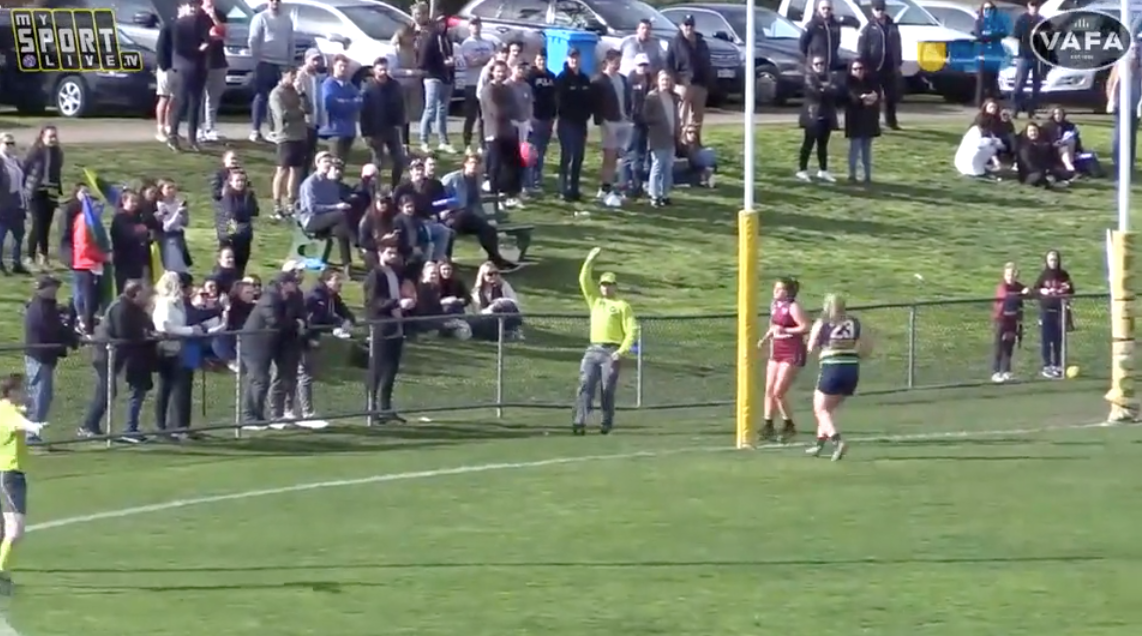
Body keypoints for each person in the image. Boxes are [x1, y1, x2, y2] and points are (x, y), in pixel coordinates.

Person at [571, 247, 637, 435]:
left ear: (615, 286)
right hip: (593, 350)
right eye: (603, 284)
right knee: (585, 384)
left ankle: (606, 422)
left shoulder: (622, 306)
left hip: (611, 351)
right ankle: (579, 421)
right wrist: (590, 259)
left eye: (609, 284)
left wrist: (621, 351)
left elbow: (632, 330)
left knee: (607, 389)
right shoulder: (596, 301)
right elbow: (584, 279)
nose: (605, 287)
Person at [81, 279, 155, 441]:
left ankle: (90, 425)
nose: (148, 297)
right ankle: (88, 425)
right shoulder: (120, 307)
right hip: (105, 354)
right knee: (107, 391)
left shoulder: (135, 308)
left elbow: (148, 325)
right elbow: (124, 333)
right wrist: (144, 335)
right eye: (145, 294)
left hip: (117, 356)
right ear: (136, 293)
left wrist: (149, 332)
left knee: (108, 391)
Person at [806, 293, 871, 461]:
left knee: (820, 409)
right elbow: (866, 347)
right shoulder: (854, 322)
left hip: (832, 367)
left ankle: (837, 441)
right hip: (851, 368)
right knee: (827, 409)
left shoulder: (822, 322)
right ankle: (819, 445)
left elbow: (811, 347)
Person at [0, 373, 47, 593]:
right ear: (10, 393)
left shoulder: (8, 408)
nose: (24, 392)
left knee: (8, 529)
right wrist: (34, 427)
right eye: (20, 389)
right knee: (15, 530)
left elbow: (20, 414)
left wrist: (26, 408)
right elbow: (18, 422)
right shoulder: (7, 412)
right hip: (9, 475)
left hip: (10, 474)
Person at [241, 268, 304, 429]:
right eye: (292, 283)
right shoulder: (270, 298)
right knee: (259, 379)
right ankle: (249, 417)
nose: (295, 286)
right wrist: (296, 324)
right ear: (284, 284)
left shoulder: (285, 297)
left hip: (268, 343)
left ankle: (258, 416)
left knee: (262, 380)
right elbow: (274, 321)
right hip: (255, 342)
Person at [440, 154, 520, 271]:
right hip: (452, 216)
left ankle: (496, 259)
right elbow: (440, 197)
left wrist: (483, 218)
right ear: (465, 164)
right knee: (457, 221)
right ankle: (446, 260)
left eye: (477, 164)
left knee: (489, 229)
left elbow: (476, 202)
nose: (474, 166)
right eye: (471, 163)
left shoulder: (477, 180)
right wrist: (444, 211)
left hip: (469, 218)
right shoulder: (452, 178)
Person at [364, 244, 415, 425]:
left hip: (396, 325)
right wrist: (397, 304)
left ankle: (386, 408)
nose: (393, 255)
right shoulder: (375, 275)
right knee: (377, 368)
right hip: (381, 326)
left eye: (395, 252)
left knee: (391, 369)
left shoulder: (395, 273)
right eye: (389, 252)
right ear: (380, 253)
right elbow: (373, 302)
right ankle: (372, 409)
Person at [298, 269, 354, 427]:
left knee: (307, 374)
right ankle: (305, 413)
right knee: (303, 375)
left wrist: (348, 320)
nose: (339, 283)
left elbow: (343, 310)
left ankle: (302, 412)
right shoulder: (316, 295)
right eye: (336, 280)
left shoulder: (332, 296)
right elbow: (319, 316)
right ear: (326, 281)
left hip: (314, 338)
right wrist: (338, 323)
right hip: (304, 338)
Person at [758, 277, 809, 443]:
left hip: (792, 350)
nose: (775, 291)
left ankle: (789, 424)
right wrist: (765, 338)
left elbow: (805, 327)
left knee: (779, 391)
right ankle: (768, 424)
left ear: (788, 292)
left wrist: (786, 329)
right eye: (775, 288)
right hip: (777, 349)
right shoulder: (774, 306)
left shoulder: (793, 307)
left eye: (780, 289)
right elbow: (773, 326)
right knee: (769, 389)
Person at [151, 272, 202, 438]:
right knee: (168, 387)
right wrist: (189, 331)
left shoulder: (178, 303)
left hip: (182, 347)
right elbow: (165, 326)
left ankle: (181, 425)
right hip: (168, 349)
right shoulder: (164, 304)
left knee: (183, 387)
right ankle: (164, 426)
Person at [23, 275, 71, 440]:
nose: (55, 291)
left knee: (42, 394)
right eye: (53, 288)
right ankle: (31, 434)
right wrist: (70, 336)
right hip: (40, 356)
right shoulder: (41, 308)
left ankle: (31, 432)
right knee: (40, 395)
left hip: (43, 356)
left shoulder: (47, 306)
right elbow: (53, 330)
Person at [59, 185, 109, 335]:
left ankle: (76, 320)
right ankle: (83, 323)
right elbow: (82, 244)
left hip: (91, 262)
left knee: (88, 295)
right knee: (84, 296)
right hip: (81, 260)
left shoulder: (92, 220)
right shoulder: (81, 219)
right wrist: (104, 256)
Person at [248, 0, 296, 142]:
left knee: (277, 99)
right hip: (265, 63)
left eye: (277, 0)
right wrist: (257, 60)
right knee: (261, 97)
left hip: (282, 64)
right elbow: (253, 40)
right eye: (272, 0)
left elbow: (291, 41)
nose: (275, 3)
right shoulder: (260, 18)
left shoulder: (287, 20)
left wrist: (290, 63)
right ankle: (255, 130)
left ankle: (275, 131)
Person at [268, 261, 309, 427]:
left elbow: (302, 314)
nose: (301, 274)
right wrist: (294, 323)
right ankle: (275, 413)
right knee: (278, 376)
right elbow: (277, 318)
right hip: (279, 340)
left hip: (293, 339)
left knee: (291, 376)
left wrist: (300, 323)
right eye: (298, 271)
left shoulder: (297, 294)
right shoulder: (275, 293)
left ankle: (288, 410)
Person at [481, 60, 525, 208]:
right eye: (498, 71)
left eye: (503, 71)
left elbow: (517, 109)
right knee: (496, 166)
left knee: (515, 164)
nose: (500, 74)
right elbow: (496, 112)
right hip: (494, 132)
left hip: (509, 132)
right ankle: (495, 196)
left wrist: (508, 109)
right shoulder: (488, 90)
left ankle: (512, 194)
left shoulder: (508, 89)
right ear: (492, 72)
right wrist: (508, 109)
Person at [170, 1, 211, 152]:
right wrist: (198, 49)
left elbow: (209, 38)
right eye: (191, 5)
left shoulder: (204, 21)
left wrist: (206, 44)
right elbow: (179, 48)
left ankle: (192, 138)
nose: (194, 8)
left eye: (196, 5)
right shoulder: (179, 24)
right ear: (185, 7)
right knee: (181, 102)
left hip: (200, 67)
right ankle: (173, 135)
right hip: (184, 66)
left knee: (196, 103)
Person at [360, 57, 407, 189]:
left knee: (399, 160)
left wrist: (400, 124)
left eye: (385, 69)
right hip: (374, 130)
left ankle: (395, 187)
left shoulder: (394, 86)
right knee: (378, 161)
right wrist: (365, 133)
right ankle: (374, 189)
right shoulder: (368, 87)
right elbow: (363, 112)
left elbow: (400, 106)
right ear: (374, 70)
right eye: (380, 69)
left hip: (391, 128)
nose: (383, 72)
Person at [593, 49, 633, 205]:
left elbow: (627, 99)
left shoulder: (622, 79)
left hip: (623, 121)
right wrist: (602, 120)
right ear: (608, 62)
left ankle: (619, 185)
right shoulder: (599, 80)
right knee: (609, 155)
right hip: (609, 121)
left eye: (619, 61)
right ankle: (605, 187)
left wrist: (629, 116)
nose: (618, 64)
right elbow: (596, 104)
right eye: (615, 61)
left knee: (622, 157)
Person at [269, 66, 309, 216]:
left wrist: (302, 93)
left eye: (297, 76)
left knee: (296, 170)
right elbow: (282, 115)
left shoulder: (297, 92)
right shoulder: (276, 93)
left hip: (300, 135)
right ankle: (277, 204)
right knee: (282, 170)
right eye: (293, 76)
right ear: (284, 75)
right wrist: (300, 112)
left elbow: (309, 109)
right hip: (285, 136)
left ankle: (291, 202)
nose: (295, 79)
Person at [23, 125, 63, 271]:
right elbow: (25, 169)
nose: (53, 139)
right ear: (42, 136)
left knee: (45, 225)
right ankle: (37, 256)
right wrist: (23, 189)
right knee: (38, 223)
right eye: (50, 136)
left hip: (50, 192)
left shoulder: (57, 152)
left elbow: (57, 173)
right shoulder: (35, 152)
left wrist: (58, 191)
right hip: (36, 192)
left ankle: (37, 257)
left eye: (54, 136)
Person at [555, 49, 593, 202]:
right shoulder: (562, 78)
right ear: (567, 59)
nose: (574, 60)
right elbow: (559, 101)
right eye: (572, 58)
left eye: (577, 57)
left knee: (579, 157)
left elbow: (589, 100)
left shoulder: (584, 78)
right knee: (567, 156)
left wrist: (587, 114)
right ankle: (563, 189)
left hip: (581, 123)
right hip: (567, 122)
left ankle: (574, 188)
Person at [857, 0, 902, 130]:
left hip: (889, 66)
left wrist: (898, 62)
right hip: (874, 66)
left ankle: (891, 121)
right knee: (874, 96)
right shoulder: (868, 28)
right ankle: (873, 122)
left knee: (891, 96)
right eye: (877, 9)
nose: (880, 12)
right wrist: (864, 66)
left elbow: (897, 45)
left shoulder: (892, 26)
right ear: (872, 10)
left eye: (882, 9)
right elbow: (862, 49)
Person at [417, 13, 457, 154]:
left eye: (444, 23)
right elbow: (422, 62)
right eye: (439, 23)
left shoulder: (447, 39)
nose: (442, 25)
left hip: (446, 77)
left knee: (443, 111)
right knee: (430, 109)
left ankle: (443, 141)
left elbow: (448, 55)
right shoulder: (429, 39)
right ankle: (424, 140)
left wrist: (451, 65)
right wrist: (442, 63)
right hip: (433, 77)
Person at [665, 15, 713, 128]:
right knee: (682, 117)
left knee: (697, 118)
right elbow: (668, 64)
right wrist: (675, 84)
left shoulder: (701, 42)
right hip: (684, 83)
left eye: (691, 25)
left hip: (700, 83)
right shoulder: (675, 43)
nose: (689, 28)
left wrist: (707, 82)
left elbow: (707, 62)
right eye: (686, 25)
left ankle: (695, 142)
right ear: (681, 26)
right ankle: (680, 141)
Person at [796, 57, 839, 183]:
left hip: (827, 115)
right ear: (812, 65)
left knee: (823, 145)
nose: (820, 66)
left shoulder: (829, 77)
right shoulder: (809, 77)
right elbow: (816, 93)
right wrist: (826, 89)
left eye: (822, 63)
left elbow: (836, 91)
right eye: (817, 64)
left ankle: (823, 170)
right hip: (813, 115)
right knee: (808, 144)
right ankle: (802, 170)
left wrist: (825, 89)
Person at [1033, 250, 1073, 379]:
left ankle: (1057, 364)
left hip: (1059, 311)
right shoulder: (1044, 275)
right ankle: (1047, 365)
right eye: (1050, 260)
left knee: (1058, 340)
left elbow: (1071, 290)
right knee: (1046, 340)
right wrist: (1042, 291)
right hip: (1046, 311)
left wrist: (1066, 289)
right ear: (1047, 261)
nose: (1053, 262)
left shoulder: (1063, 275)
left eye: (1055, 260)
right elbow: (1034, 290)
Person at [644, 70, 681, 208]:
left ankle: (665, 195)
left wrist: (678, 130)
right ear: (657, 81)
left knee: (668, 168)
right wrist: (658, 120)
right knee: (657, 166)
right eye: (663, 80)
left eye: (667, 80)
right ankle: (654, 195)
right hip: (657, 137)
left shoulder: (673, 97)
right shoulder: (652, 97)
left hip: (671, 137)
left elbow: (676, 116)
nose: (665, 82)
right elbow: (645, 117)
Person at [460, 16, 495, 154]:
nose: (476, 27)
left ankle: (482, 144)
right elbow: (471, 62)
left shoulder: (488, 43)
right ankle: (467, 144)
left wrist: (486, 60)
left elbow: (494, 60)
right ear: (469, 27)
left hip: (486, 84)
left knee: (483, 116)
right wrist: (487, 59)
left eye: (478, 24)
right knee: (470, 116)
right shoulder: (466, 44)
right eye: (473, 24)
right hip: (471, 83)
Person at [214, 169, 259, 276]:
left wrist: (248, 197)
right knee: (227, 265)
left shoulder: (248, 195)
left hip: (244, 235)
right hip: (230, 236)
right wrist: (231, 235)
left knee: (241, 266)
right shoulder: (228, 196)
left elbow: (254, 211)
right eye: (238, 180)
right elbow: (230, 216)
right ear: (231, 182)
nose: (240, 183)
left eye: (243, 181)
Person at [320, 55, 363, 161]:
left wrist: (344, 103)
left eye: (345, 66)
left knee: (342, 163)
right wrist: (350, 103)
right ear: (334, 66)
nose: (343, 69)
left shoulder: (350, 85)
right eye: (340, 66)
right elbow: (330, 103)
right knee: (335, 163)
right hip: (334, 130)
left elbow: (360, 102)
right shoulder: (328, 84)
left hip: (349, 130)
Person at [109, 189, 153, 294]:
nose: (135, 204)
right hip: (124, 263)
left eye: (137, 201)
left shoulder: (136, 217)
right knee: (126, 293)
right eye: (132, 201)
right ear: (124, 201)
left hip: (137, 262)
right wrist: (141, 229)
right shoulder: (120, 218)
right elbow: (129, 233)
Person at [526, 48, 558, 193]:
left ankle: (538, 174)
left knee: (543, 148)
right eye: (539, 60)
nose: (541, 62)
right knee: (534, 148)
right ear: (535, 60)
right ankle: (531, 177)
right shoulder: (531, 76)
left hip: (548, 117)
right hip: (535, 116)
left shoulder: (551, 76)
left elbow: (555, 96)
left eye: (543, 60)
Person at [844, 60, 880, 183]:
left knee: (867, 151)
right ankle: (852, 175)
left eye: (861, 68)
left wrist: (867, 98)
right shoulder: (849, 83)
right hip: (855, 122)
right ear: (851, 71)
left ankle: (867, 176)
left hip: (869, 121)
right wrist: (864, 98)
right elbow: (855, 99)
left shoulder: (870, 82)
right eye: (855, 69)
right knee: (854, 149)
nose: (858, 71)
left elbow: (876, 97)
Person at [1106, 45, 1141, 174]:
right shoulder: (1120, 67)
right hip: (1120, 106)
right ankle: (1118, 162)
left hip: (1135, 108)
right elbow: (1111, 83)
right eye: (1133, 52)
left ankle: (1128, 164)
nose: (1135, 55)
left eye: (1137, 52)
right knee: (1119, 134)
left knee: (1131, 135)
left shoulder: (1139, 70)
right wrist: (1112, 100)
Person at [391, 24, 425, 152]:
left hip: (412, 86)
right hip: (400, 86)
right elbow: (393, 71)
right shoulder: (396, 49)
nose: (412, 38)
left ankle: (406, 144)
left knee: (408, 117)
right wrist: (411, 73)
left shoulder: (413, 49)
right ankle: (400, 144)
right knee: (401, 117)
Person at [992, 262, 1027, 384]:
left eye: (1012, 274)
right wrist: (1020, 294)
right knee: (999, 346)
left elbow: (1028, 292)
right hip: (1001, 320)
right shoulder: (1002, 286)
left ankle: (1006, 371)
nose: (1010, 277)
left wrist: (1028, 291)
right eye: (1007, 274)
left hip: (1012, 320)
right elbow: (1006, 296)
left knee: (1009, 345)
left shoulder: (1018, 286)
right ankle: (996, 372)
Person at [199, 0, 229, 143]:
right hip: (200, 62)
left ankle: (210, 128)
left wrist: (213, 17)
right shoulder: (197, 15)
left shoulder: (220, 15)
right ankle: (198, 128)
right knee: (200, 97)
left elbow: (223, 34)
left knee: (213, 98)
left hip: (218, 62)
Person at [623, 55, 653, 199]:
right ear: (635, 65)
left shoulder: (649, 80)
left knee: (641, 154)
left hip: (645, 122)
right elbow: (627, 101)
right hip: (633, 122)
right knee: (630, 152)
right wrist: (629, 117)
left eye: (645, 65)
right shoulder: (631, 80)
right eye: (640, 65)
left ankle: (638, 184)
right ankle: (626, 182)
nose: (643, 68)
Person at [1008, 0, 1044, 118]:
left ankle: (1031, 111)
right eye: (1032, 5)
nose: (1035, 7)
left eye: (1037, 5)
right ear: (1028, 6)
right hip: (1024, 55)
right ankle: (1015, 109)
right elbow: (1016, 35)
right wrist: (1031, 34)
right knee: (1019, 84)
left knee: (1036, 85)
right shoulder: (1022, 19)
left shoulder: (1042, 20)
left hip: (1038, 57)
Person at [471, 260, 522, 340]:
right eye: (490, 274)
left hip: (504, 314)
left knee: (506, 305)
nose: (494, 276)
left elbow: (514, 302)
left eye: (496, 273)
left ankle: (510, 331)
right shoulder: (478, 292)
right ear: (483, 276)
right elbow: (478, 313)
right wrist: (491, 309)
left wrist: (499, 304)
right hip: (487, 318)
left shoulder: (503, 285)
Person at [295, 49, 327, 177]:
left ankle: (307, 179)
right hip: (303, 121)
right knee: (303, 155)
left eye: (318, 59)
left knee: (311, 154)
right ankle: (299, 184)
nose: (316, 62)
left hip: (315, 120)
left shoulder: (318, 77)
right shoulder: (300, 76)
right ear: (306, 59)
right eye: (313, 59)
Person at [0, 133, 28, 275]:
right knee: (1, 236)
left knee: (19, 234)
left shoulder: (15, 161)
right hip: (3, 206)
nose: (10, 146)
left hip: (17, 203)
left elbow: (21, 181)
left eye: (12, 143)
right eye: (7, 143)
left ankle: (17, 263)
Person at [973, 1, 1010, 106]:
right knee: (981, 82)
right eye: (986, 9)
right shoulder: (979, 22)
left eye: (990, 9)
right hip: (982, 56)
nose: (988, 11)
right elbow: (979, 36)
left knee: (992, 81)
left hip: (995, 56)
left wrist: (990, 35)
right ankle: (980, 104)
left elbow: (1003, 33)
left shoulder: (998, 22)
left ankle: (992, 104)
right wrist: (993, 35)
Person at [1017, 122, 1071, 188]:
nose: (1033, 133)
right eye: (1031, 131)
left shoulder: (1043, 143)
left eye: (1035, 130)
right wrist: (1044, 171)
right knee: (1039, 176)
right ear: (1027, 133)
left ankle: (1052, 180)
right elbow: (1029, 165)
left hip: (1044, 170)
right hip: (1029, 174)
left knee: (1062, 171)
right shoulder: (1024, 147)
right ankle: (1051, 182)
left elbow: (1049, 160)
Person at [155, 179, 192, 272]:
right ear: (161, 190)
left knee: (183, 269)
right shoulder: (160, 205)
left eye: (174, 187)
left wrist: (184, 214)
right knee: (172, 269)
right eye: (168, 188)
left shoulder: (177, 203)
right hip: (168, 239)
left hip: (179, 237)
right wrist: (178, 213)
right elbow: (167, 227)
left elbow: (185, 223)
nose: (172, 190)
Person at [800, 0, 844, 71]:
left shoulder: (835, 25)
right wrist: (812, 58)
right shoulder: (812, 25)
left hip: (832, 67)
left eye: (828, 8)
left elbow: (837, 43)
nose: (826, 11)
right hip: (816, 67)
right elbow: (802, 45)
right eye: (823, 8)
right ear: (818, 9)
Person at [154, 16, 177, 143]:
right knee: (164, 98)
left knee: (173, 100)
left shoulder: (181, 28)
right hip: (166, 68)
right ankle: (160, 129)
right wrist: (164, 66)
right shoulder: (168, 27)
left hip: (177, 68)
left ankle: (169, 127)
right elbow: (161, 48)